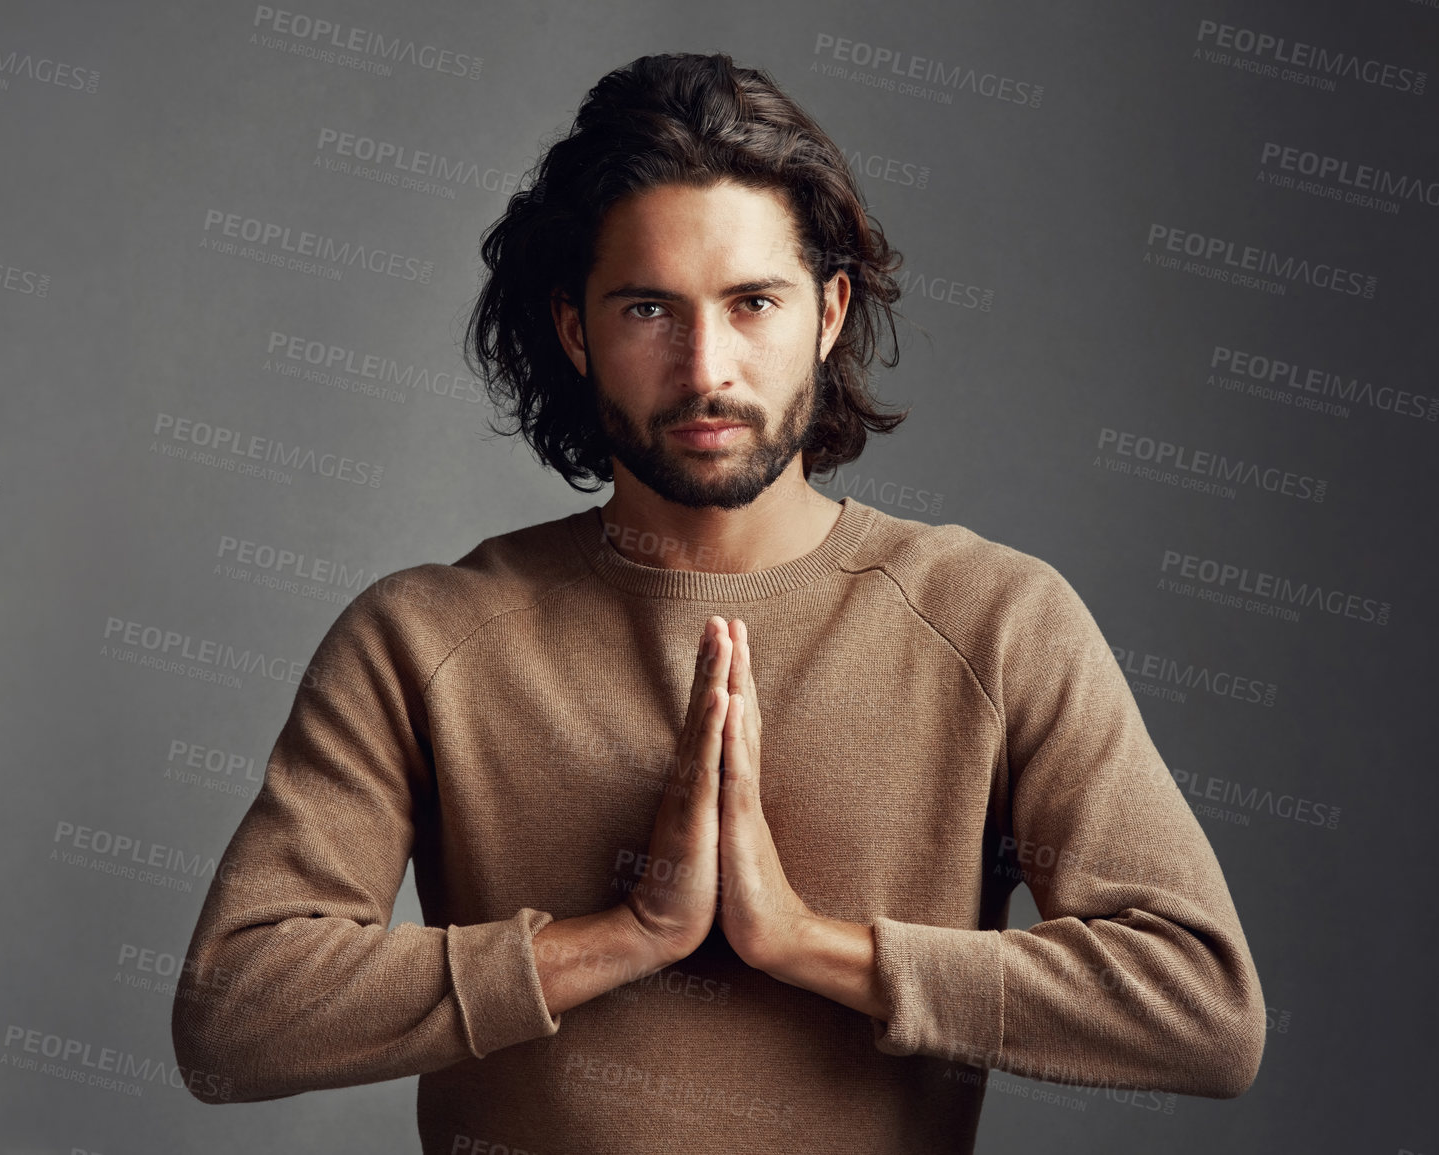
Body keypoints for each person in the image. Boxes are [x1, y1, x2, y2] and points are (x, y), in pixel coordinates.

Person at [171, 51, 1265, 1154]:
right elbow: (233, 1015)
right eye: (650, 307)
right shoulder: (422, 638)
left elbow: (1203, 1009)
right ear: (573, 327)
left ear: (829, 313)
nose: (707, 368)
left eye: (753, 303)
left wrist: (803, 943)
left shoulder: (996, 620)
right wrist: (623, 937)